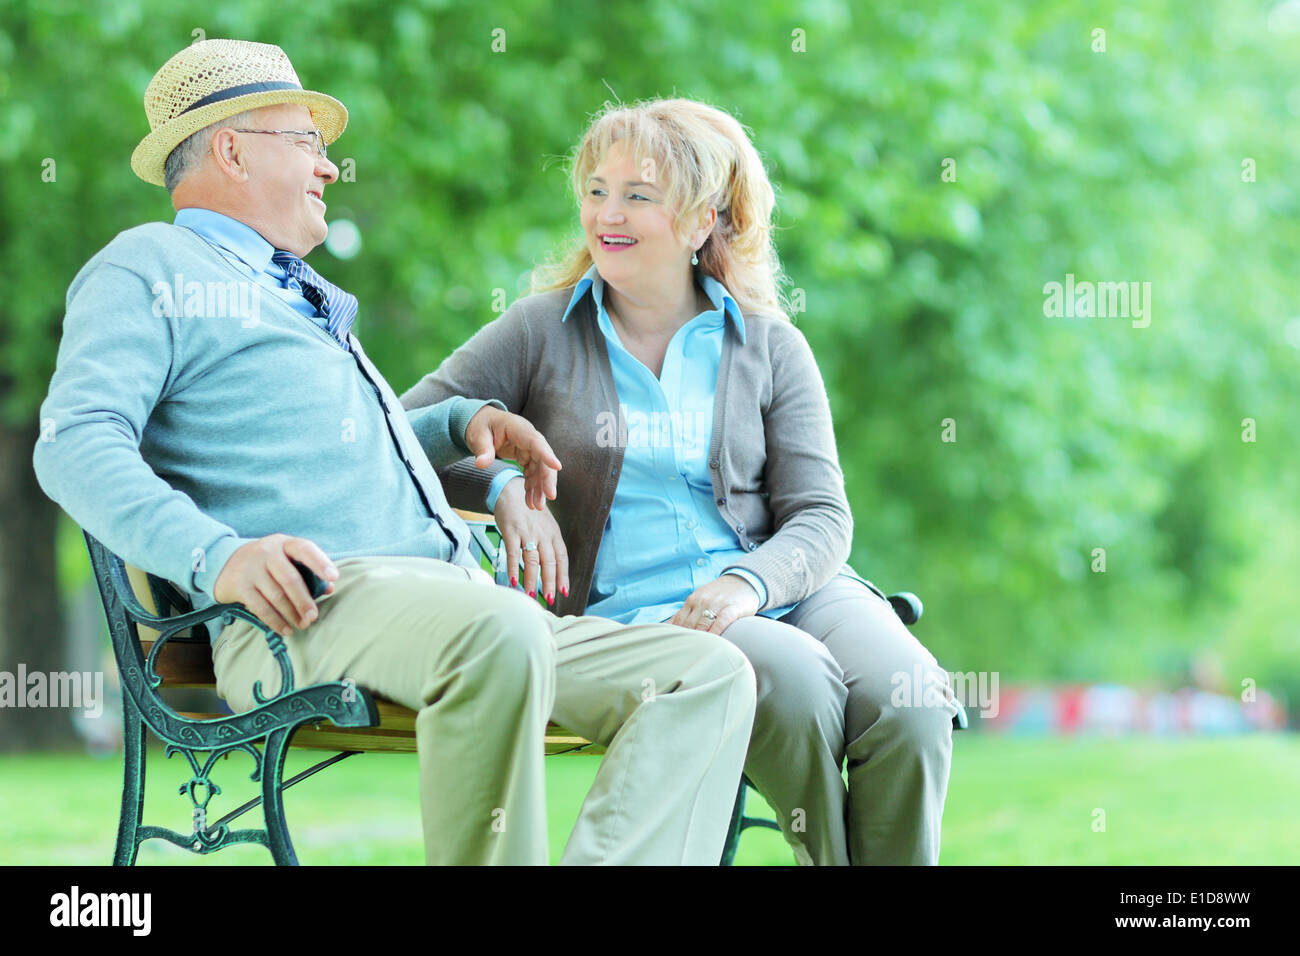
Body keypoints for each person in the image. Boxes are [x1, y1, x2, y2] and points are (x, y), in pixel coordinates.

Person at [32, 42, 756, 866]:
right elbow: (75, 443)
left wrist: (457, 424)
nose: (330, 169)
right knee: (503, 630)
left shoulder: (291, 295)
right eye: (307, 143)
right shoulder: (148, 267)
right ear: (231, 149)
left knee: (709, 673)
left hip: (449, 603)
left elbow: (333, 458)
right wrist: (221, 558)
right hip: (301, 613)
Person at [402, 97, 960, 865]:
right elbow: (403, 435)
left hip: (782, 590)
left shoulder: (770, 344)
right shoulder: (539, 330)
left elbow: (822, 516)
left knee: (914, 698)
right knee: (788, 678)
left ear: (704, 221)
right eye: (597, 190)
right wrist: (499, 487)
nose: (608, 213)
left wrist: (745, 583)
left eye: (639, 194)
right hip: (640, 617)